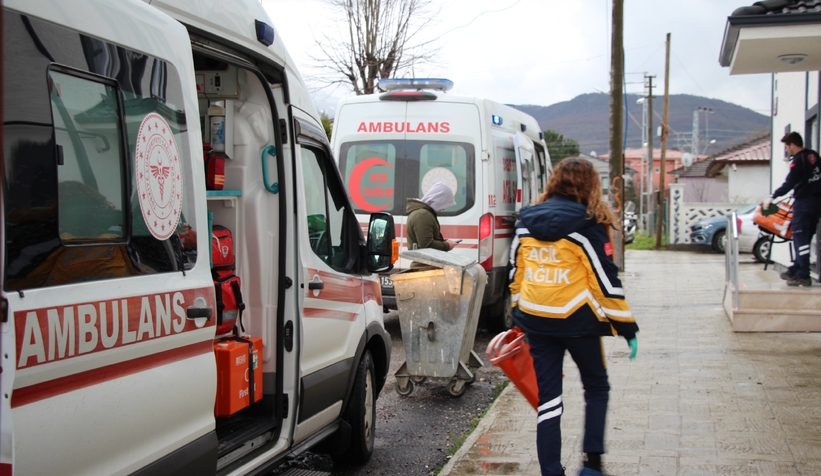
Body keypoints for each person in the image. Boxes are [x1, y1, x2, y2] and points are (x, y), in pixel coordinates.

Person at [509, 157, 639, 476]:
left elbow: (517, 272)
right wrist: (626, 327)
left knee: (548, 399)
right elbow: (604, 280)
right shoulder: (589, 222)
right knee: (596, 386)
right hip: (578, 321)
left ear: (554, 181)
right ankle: (592, 466)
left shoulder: (526, 219)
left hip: (536, 320)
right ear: (591, 184)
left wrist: (518, 315)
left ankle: (551, 471)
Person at [763, 131, 821, 287]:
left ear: (793, 145)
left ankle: (803, 275)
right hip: (817, 204)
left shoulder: (798, 161)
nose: (786, 150)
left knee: (800, 239)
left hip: (803, 203)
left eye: (786, 147)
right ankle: (795, 269)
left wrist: (772, 197)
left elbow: (789, 183)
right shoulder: (814, 156)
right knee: (806, 238)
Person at [405, 182, 458, 266]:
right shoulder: (422, 215)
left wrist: (442, 241)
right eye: (444, 204)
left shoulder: (422, 213)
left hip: (426, 265)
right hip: (425, 267)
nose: (443, 208)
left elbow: (426, 240)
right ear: (439, 200)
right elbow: (427, 245)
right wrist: (447, 245)